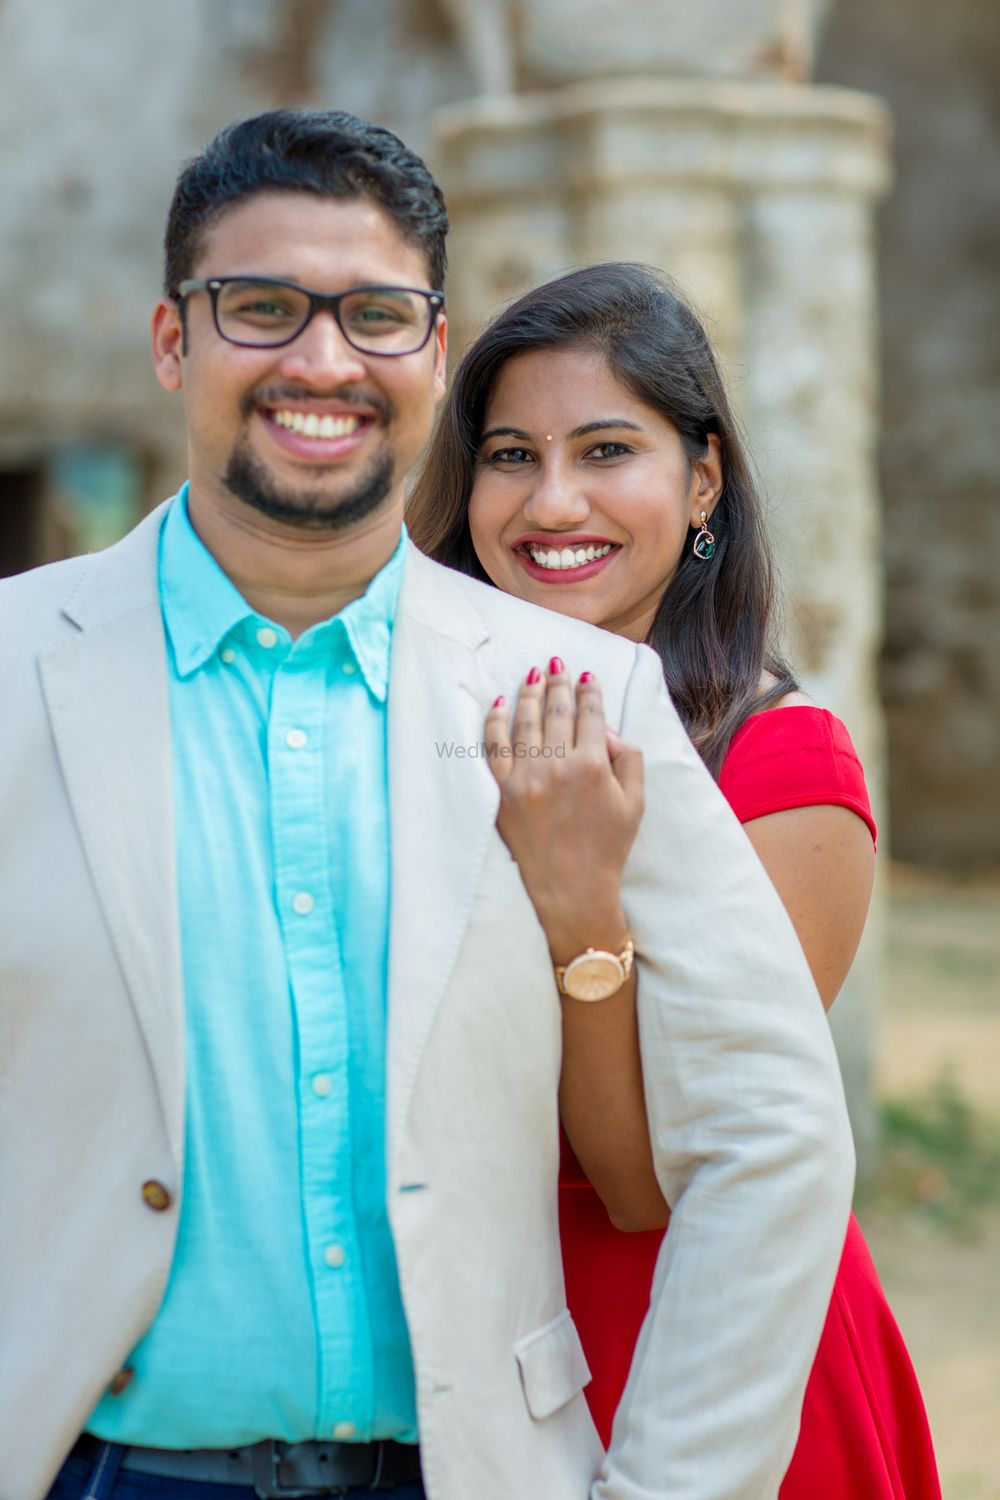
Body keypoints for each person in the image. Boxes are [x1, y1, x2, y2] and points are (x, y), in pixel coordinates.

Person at [0, 113, 856, 1500]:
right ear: (175, 343)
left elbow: (772, 1133)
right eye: (262, 308)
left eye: (376, 315)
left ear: (434, 352)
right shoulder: (10, 676)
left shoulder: (585, 694)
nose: (323, 360)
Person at [408, 260, 943, 1500]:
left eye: (606, 451)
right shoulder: (428, 723)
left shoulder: (782, 768)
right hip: (474, 1345)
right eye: (508, 455)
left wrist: (580, 904)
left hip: (704, 1358)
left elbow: (648, 1179)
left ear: (701, 478)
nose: (552, 502)